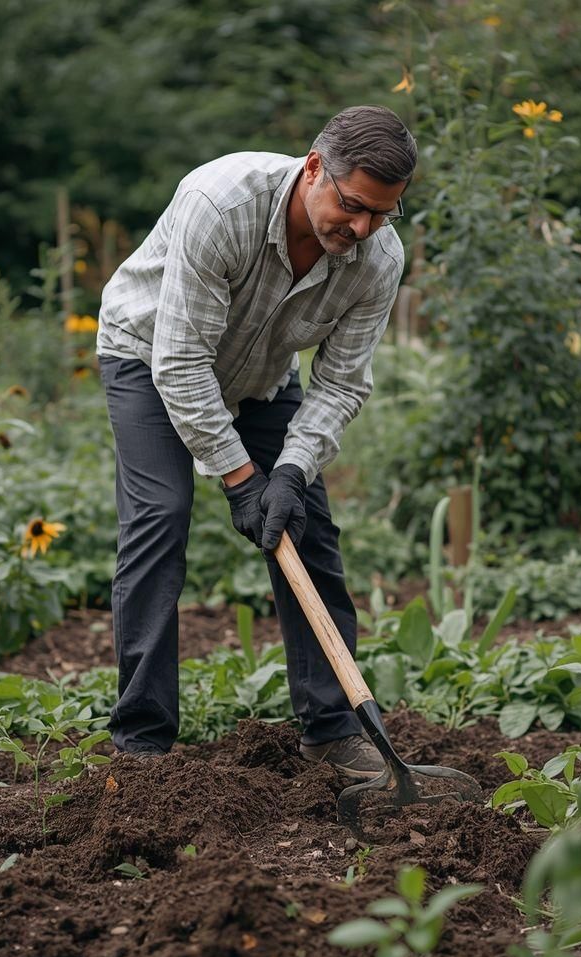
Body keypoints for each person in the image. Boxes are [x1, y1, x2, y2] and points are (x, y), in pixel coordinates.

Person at [96, 105, 417, 777]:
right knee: (160, 515)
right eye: (353, 206)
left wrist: (290, 474)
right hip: (149, 356)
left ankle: (332, 729)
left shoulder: (377, 259)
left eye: (382, 214)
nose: (361, 230)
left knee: (308, 527)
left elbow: (341, 383)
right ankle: (142, 740)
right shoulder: (222, 205)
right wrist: (242, 483)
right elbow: (180, 364)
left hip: (263, 380)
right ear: (312, 169)